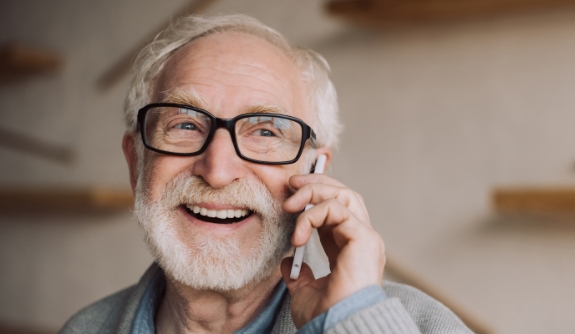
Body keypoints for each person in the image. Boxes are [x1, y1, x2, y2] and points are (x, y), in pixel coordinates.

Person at [60, 15, 472, 334]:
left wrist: (354, 321)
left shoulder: (421, 324)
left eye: (264, 131)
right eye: (185, 125)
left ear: (316, 170)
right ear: (137, 164)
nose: (218, 171)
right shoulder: (84, 328)